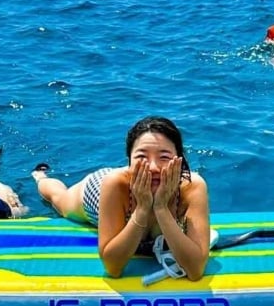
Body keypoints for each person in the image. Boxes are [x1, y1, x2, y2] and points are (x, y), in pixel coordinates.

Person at [32, 116, 211, 281]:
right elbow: (113, 268)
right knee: (60, 200)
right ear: (129, 160)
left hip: (135, 194)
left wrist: (161, 208)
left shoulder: (192, 187)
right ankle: (41, 177)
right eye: (141, 156)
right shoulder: (114, 184)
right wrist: (142, 209)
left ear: (179, 161)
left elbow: (195, 271)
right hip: (101, 191)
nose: (153, 167)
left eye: (164, 157)